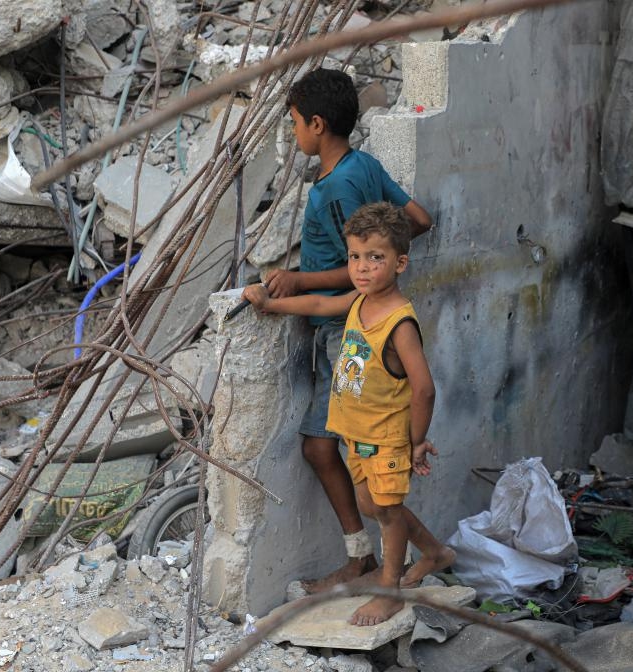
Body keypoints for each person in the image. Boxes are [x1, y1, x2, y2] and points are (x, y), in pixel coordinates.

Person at [244, 203, 454, 626]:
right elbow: (322, 305)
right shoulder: (361, 299)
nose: (361, 267)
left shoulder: (399, 323)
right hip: (356, 434)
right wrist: (271, 305)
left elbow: (424, 388)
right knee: (373, 504)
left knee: (388, 511)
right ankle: (435, 552)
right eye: (355, 256)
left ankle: (389, 591)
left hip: (386, 438)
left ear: (400, 263)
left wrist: (416, 441)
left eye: (375, 258)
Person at [266, 67, 432, 593]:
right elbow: (419, 219)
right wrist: (392, 254)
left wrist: (299, 278)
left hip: (346, 332)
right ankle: (417, 553)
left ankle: (366, 562)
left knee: (329, 451)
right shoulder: (364, 165)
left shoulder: (335, 187)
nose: (295, 133)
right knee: (357, 469)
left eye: (296, 123)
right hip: (346, 323)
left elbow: (355, 269)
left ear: (317, 124)